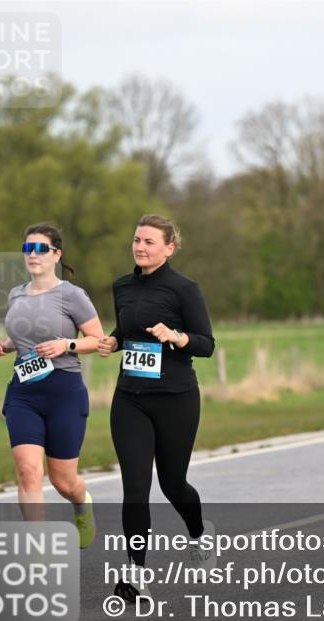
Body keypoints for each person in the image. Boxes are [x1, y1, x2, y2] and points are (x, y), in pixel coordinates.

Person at [97, 214, 216, 600]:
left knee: (172, 484)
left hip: (176, 399)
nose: (140, 247)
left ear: (169, 247)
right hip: (130, 398)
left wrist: (176, 336)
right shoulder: (122, 286)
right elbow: (125, 328)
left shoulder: (185, 289)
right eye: (136, 240)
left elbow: (206, 344)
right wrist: (114, 342)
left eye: (149, 241)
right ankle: (135, 574)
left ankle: (199, 535)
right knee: (135, 487)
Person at [0, 224, 104, 548]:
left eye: (41, 249)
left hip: (64, 393)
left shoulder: (71, 294)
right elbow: (25, 337)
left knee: (63, 481)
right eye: (28, 248)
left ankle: (82, 503)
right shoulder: (16, 293)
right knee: (28, 472)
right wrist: (7, 346)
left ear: (56, 254)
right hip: (23, 393)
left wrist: (66, 345)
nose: (33, 255)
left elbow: (99, 340)